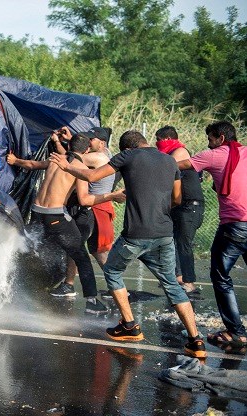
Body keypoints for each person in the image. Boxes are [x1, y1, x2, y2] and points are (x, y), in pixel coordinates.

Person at [50, 130, 207, 359]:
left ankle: (130, 325)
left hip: (136, 234)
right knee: (171, 284)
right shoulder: (170, 160)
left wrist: (66, 167)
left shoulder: (127, 156)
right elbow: (176, 199)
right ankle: (196, 340)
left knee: (113, 271)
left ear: (127, 149)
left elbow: (91, 177)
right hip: (164, 233)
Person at [8, 132, 125, 315]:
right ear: (87, 150)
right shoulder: (78, 168)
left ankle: (10, 286)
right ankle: (92, 302)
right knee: (82, 257)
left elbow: (31, 164)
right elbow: (84, 200)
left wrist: (15, 160)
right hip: (54, 216)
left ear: (69, 146)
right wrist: (113, 195)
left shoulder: (56, 159)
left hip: (37, 212)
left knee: (32, 248)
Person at [176, 121, 247, 350]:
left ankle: (236, 332)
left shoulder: (215, 154)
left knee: (220, 276)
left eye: (210, 139)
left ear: (221, 139)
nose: (209, 144)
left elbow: (179, 164)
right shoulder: (244, 152)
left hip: (234, 225)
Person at [49, 127, 118, 298]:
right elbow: (74, 157)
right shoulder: (102, 155)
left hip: (93, 208)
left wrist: (59, 142)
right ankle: (115, 286)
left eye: (91, 139)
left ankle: (69, 285)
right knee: (94, 250)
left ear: (101, 143)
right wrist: (71, 139)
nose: (89, 142)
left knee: (80, 247)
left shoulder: (98, 156)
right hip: (96, 208)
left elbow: (70, 160)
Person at [155, 126, 205, 298]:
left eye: (159, 140)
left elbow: (166, 169)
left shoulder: (181, 151)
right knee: (172, 242)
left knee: (183, 244)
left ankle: (189, 284)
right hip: (179, 206)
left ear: (168, 139)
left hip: (190, 206)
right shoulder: (169, 154)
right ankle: (178, 278)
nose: (157, 144)